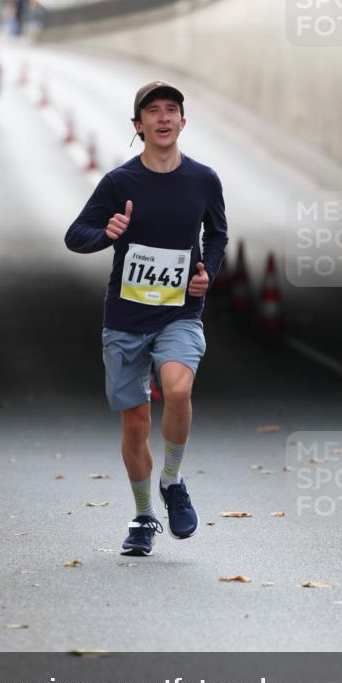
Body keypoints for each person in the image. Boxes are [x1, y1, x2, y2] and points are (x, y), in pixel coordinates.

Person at [65, 81, 228, 556]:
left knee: (177, 389)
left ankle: (172, 481)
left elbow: (217, 234)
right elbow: (76, 235)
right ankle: (142, 516)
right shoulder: (120, 183)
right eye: (152, 111)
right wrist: (107, 232)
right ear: (138, 125)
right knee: (135, 425)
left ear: (182, 121)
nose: (163, 117)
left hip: (180, 314)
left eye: (171, 109)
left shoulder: (203, 180)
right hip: (125, 318)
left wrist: (207, 272)